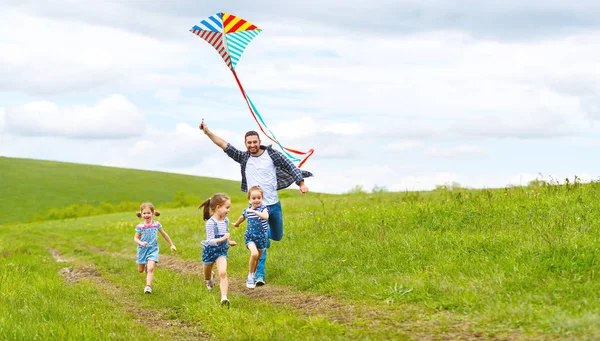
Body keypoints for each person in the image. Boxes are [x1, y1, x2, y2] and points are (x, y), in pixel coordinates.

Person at [200, 121, 313, 286]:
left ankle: (264, 239)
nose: (252, 145)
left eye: (254, 142)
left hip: (273, 205)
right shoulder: (244, 157)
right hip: (256, 209)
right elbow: (223, 144)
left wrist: (301, 183)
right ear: (245, 144)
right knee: (260, 243)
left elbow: (291, 166)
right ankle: (258, 275)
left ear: (259, 142)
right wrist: (208, 132)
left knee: (277, 236)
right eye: (249, 142)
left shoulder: (272, 155)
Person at [198, 193, 235, 307]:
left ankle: (224, 298)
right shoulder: (210, 222)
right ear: (218, 207)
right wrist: (223, 238)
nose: (228, 210)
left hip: (221, 251)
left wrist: (228, 241)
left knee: (223, 273)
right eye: (227, 207)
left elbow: (225, 234)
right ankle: (209, 280)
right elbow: (209, 241)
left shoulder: (226, 220)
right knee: (207, 277)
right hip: (209, 252)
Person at [134, 202, 177, 294]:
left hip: (153, 249)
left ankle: (148, 287)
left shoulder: (156, 224)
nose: (146, 215)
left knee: (151, 268)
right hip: (142, 250)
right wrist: (141, 242)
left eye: (148, 213)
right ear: (141, 214)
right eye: (144, 213)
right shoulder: (140, 227)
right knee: (140, 270)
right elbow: (135, 238)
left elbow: (164, 234)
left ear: (152, 213)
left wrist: (172, 244)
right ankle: (145, 266)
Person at [233, 186, 269, 289]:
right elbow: (242, 217)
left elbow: (266, 217)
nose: (256, 200)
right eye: (254, 198)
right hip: (250, 237)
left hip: (262, 238)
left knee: (257, 258)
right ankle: (250, 276)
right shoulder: (247, 210)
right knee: (254, 254)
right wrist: (236, 223)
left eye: (259, 198)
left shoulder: (264, 208)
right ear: (249, 199)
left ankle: (253, 273)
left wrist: (255, 212)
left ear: (262, 198)